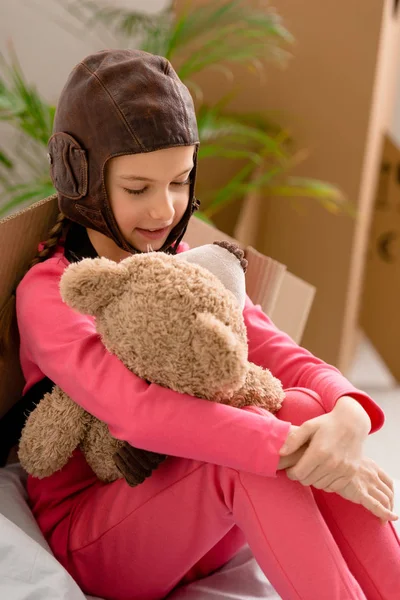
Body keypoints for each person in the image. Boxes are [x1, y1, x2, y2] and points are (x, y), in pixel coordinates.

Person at [1, 49, 399, 600]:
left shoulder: (188, 262)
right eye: (138, 189)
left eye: (180, 182)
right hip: (97, 538)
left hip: (196, 530)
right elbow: (133, 409)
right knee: (249, 457)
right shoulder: (51, 290)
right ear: (82, 178)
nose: (164, 211)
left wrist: (349, 416)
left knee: (306, 407)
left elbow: (278, 348)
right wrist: (285, 444)